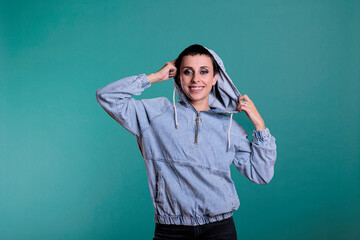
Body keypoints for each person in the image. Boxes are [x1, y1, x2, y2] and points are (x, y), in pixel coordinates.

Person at [95, 44, 277, 240]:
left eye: (204, 71)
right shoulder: (155, 113)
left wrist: (260, 125)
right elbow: (107, 96)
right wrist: (154, 76)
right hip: (171, 230)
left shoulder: (230, 126)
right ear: (178, 77)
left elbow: (261, 174)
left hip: (219, 229)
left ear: (215, 78)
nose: (196, 79)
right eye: (187, 72)